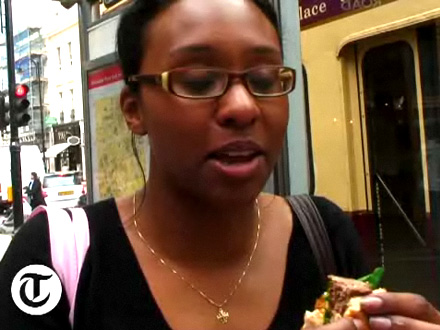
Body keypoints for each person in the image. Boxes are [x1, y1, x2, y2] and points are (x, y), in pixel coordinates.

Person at [1, 0, 440, 329]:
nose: (242, 106)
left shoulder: (323, 234)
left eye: (266, 79)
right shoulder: (54, 263)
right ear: (134, 110)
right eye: (199, 81)